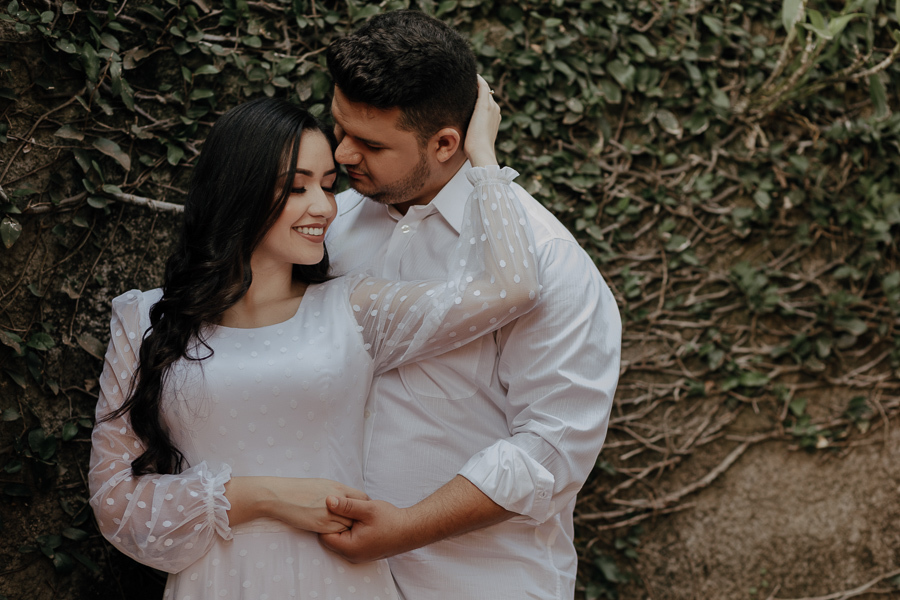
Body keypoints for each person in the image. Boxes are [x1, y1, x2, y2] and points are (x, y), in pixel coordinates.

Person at [88, 85, 540, 600]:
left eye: (328, 185)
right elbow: (113, 499)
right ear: (238, 189)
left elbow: (512, 289)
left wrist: (480, 155)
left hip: (341, 579)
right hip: (216, 585)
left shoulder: (355, 309)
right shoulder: (143, 320)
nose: (324, 207)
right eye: (296, 187)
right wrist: (266, 498)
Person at [320, 10, 622, 599]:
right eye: (339, 129)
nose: (343, 155)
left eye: (371, 144)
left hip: (478, 584)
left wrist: (406, 528)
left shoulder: (548, 258)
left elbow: (551, 451)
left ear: (445, 143)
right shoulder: (324, 225)